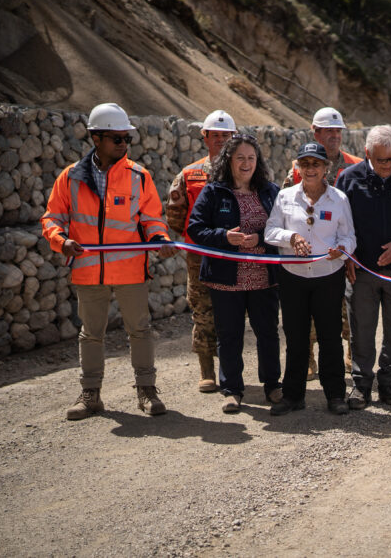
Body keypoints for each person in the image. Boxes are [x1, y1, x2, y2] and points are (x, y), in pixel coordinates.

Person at [41, 102, 177, 420]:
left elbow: (152, 219)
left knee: (140, 330)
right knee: (91, 334)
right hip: (88, 269)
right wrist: (61, 242)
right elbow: (52, 218)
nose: (123, 144)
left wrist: (160, 240)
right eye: (117, 138)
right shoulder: (71, 177)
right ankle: (91, 395)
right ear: (95, 138)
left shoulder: (139, 177)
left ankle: (146, 391)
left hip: (130, 269)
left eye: (126, 138)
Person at [187, 133, 282, 414]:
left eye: (251, 158)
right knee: (230, 335)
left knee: (268, 333)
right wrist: (224, 237)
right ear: (228, 160)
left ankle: (273, 385)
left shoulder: (270, 191)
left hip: (264, 278)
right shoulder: (214, 192)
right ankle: (232, 389)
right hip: (226, 279)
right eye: (240, 157)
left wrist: (261, 239)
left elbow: (283, 227)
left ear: (258, 161)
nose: (246, 163)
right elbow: (196, 228)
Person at [265, 142, 356, 416]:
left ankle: (335, 396)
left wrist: (341, 251)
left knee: (330, 337)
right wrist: (290, 237)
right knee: (295, 338)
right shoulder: (285, 197)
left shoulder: (339, 199)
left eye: (315, 164)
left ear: (325, 167)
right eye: (304, 164)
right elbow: (270, 231)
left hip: (328, 276)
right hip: (293, 276)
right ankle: (293, 396)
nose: (310, 169)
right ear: (298, 168)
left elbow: (349, 236)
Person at [336, 126, 391, 409]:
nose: (388, 166)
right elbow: (340, 223)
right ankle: (360, 386)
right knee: (361, 329)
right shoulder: (348, 178)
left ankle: (389, 382)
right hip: (361, 271)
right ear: (367, 154)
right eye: (382, 160)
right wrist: (348, 255)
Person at [282, 106, 362, 383]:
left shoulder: (355, 165)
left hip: (344, 251)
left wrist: (350, 254)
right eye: (328, 131)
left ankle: (351, 358)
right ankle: (308, 361)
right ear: (314, 132)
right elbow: (285, 211)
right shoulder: (296, 170)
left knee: (348, 309)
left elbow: (357, 216)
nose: (334, 136)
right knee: (309, 316)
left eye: (338, 131)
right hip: (307, 258)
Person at [166, 109, 236, 393]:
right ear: (204, 137)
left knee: (232, 313)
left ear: (234, 137)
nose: (220, 140)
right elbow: (174, 214)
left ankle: (229, 370)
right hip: (200, 257)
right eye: (215, 135)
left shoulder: (244, 170)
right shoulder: (189, 173)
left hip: (235, 256)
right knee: (203, 311)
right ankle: (206, 370)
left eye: (225, 135)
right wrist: (196, 238)